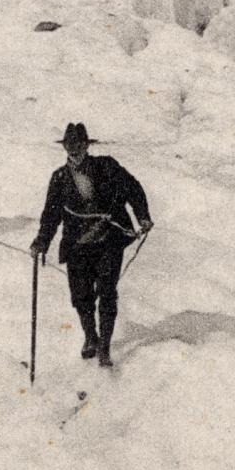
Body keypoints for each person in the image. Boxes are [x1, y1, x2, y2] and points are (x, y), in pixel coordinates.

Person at [32, 123, 152, 369]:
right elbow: (51, 215)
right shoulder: (59, 178)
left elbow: (133, 188)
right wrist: (42, 241)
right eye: (69, 146)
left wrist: (142, 216)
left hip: (108, 241)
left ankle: (105, 346)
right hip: (77, 246)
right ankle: (91, 337)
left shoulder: (107, 167)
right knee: (80, 296)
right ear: (64, 148)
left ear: (87, 145)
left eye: (78, 145)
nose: (74, 150)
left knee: (107, 292)